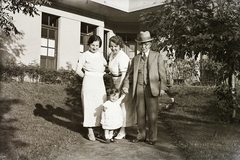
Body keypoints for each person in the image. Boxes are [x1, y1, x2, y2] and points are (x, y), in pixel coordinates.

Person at [122, 31, 168, 145]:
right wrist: (126, 85)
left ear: (150, 44)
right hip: (139, 88)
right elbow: (129, 74)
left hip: (152, 88)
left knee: (152, 114)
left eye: (146, 44)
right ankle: (141, 135)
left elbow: (163, 73)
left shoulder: (157, 56)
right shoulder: (136, 58)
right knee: (140, 113)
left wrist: (162, 88)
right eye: (142, 44)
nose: (144, 46)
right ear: (139, 45)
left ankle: (152, 138)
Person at [76, 35, 107, 141]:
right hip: (89, 82)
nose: (95, 47)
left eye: (97, 45)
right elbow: (78, 70)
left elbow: (105, 66)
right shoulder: (84, 55)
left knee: (100, 105)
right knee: (89, 105)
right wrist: (87, 77)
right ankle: (90, 130)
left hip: (99, 82)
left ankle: (101, 129)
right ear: (89, 44)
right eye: (93, 45)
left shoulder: (100, 55)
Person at [107, 35, 136, 139]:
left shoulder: (123, 57)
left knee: (122, 107)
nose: (113, 48)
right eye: (111, 46)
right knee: (114, 107)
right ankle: (114, 128)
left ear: (120, 46)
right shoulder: (111, 55)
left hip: (122, 81)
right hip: (113, 80)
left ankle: (122, 130)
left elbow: (124, 74)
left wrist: (120, 88)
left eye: (115, 46)